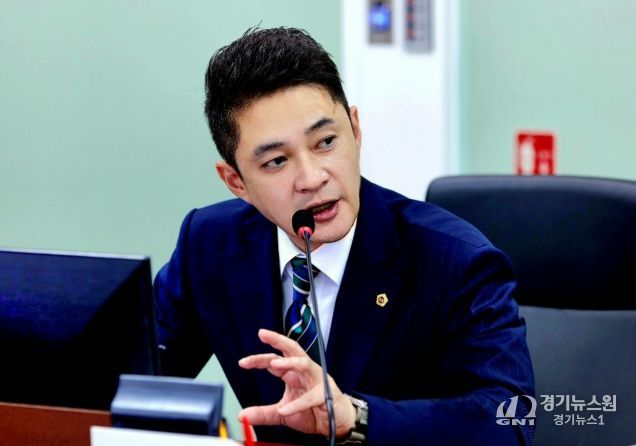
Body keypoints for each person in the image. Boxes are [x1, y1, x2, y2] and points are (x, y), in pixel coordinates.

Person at [154, 27, 535, 445]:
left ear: (355, 130)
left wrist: (357, 417)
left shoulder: (455, 260)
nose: (312, 177)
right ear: (236, 181)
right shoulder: (209, 244)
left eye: (326, 142)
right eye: (277, 161)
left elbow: (512, 419)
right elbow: (136, 376)